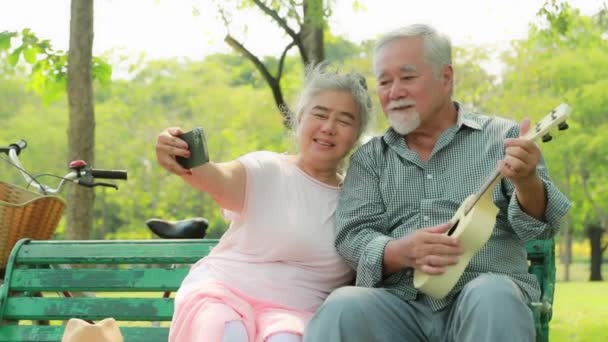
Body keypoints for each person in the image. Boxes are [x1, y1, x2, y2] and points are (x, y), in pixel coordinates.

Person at [304, 24, 571, 342]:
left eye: (407, 77)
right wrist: (398, 251)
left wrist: (527, 181)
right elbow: (352, 236)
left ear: (446, 78)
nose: (394, 91)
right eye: (385, 82)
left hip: (484, 302)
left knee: (493, 293)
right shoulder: (369, 159)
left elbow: (541, 229)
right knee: (342, 306)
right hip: (399, 309)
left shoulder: (504, 138)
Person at [155, 65, 373, 342]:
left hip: (294, 315)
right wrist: (178, 154)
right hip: (222, 295)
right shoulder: (267, 169)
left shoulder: (359, 202)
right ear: (300, 119)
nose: (328, 128)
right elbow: (214, 176)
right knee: (228, 333)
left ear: (356, 135)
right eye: (319, 114)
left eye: (344, 121)